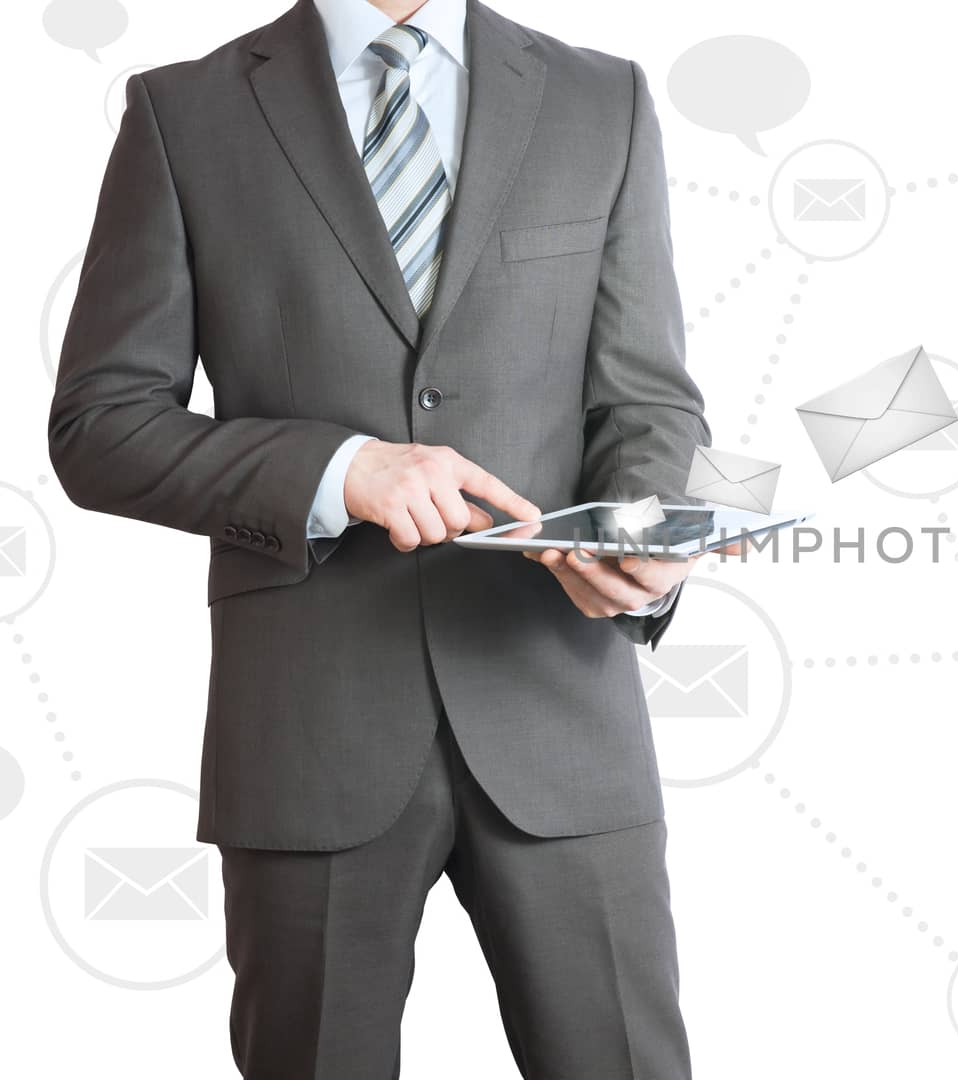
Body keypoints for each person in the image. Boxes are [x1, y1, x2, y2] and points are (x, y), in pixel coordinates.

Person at [47, 0, 708, 1075]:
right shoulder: (184, 112)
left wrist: (638, 538)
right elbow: (100, 425)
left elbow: (649, 401)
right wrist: (336, 469)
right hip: (309, 727)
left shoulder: (603, 99)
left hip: (560, 715)